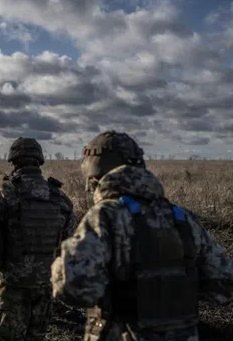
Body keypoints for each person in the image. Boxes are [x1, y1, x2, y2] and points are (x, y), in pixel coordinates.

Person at [51, 130, 233, 341]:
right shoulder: (181, 218)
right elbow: (224, 284)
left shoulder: (105, 216)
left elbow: (73, 287)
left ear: (94, 172)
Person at [0, 137, 75, 341]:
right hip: (45, 286)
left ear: (14, 161)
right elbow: (69, 244)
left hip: (12, 286)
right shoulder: (60, 198)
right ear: (39, 161)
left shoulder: (5, 191)